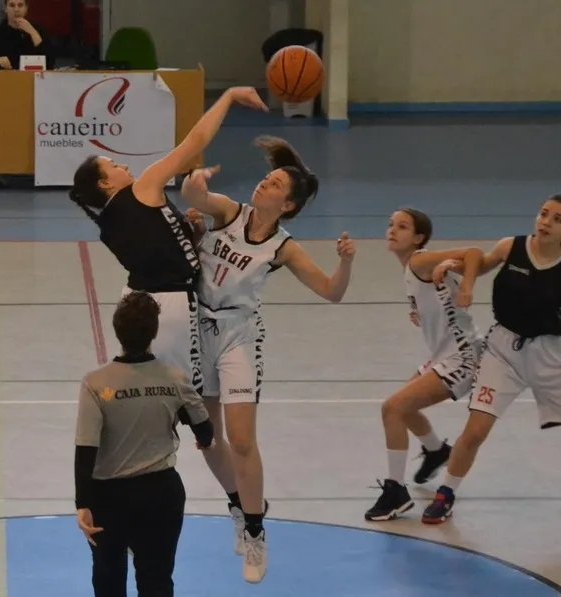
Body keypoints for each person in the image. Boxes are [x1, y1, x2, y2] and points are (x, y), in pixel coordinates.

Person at [177, 137, 355, 583]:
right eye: (267, 176)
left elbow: (332, 293)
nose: (264, 182)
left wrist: (346, 263)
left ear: (288, 204)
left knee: (241, 441)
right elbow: (194, 198)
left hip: (239, 336)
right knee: (205, 439)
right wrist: (195, 181)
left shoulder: (284, 248)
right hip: (199, 331)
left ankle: (256, 532)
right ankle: (238, 504)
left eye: (274, 182)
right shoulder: (229, 213)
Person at [420, 194, 561, 524]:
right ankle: (446, 493)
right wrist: (450, 265)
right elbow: (478, 265)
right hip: (502, 351)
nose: (546, 222)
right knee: (474, 432)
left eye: (556, 219)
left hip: (550, 356)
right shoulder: (509, 247)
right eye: (543, 214)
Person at [68, 86, 268, 398]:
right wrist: (228, 97)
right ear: (105, 183)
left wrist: (194, 234)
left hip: (139, 300)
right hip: (170, 304)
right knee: (184, 399)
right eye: (114, 166)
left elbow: (160, 247)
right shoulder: (143, 187)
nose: (123, 166)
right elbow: (196, 141)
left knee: (150, 391)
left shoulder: (107, 223)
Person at [74, 291, 215, 597]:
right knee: (157, 581)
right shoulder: (174, 378)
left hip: (108, 499)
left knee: (109, 581)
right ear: (153, 333)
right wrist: (202, 440)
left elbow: (86, 449)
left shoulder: (95, 383)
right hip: (161, 495)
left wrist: (83, 503)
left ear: (118, 332)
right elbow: (204, 430)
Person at [364, 208, 484, 522]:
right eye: (390, 224)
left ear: (418, 238)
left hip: (463, 357)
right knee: (405, 408)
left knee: (392, 408)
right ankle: (435, 451)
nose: (392, 230)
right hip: (445, 354)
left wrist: (468, 286)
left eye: (402, 227)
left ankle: (395, 492)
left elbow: (473, 254)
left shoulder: (419, 260)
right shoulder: (411, 269)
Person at [0, 0, 55, 70]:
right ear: (5, 8)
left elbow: (50, 63)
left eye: (20, 5)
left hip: (34, 83)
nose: (16, 10)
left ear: (26, 8)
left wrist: (33, 33)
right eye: (12, 5)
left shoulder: (39, 31)